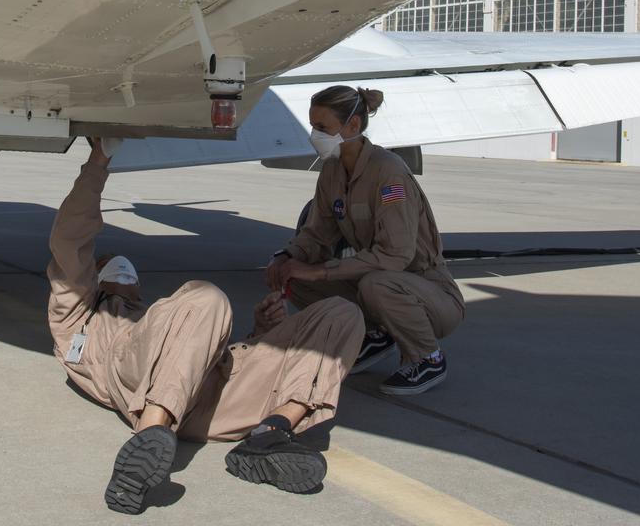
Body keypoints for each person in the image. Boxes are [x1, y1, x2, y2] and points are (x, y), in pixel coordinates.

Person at [47, 138, 364, 515]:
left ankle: (272, 433)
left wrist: (260, 334)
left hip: (219, 402)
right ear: (95, 277)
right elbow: (70, 238)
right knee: (206, 296)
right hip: (141, 387)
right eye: (107, 261)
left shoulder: (154, 314)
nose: (120, 264)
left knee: (342, 314)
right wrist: (98, 160)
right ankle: (151, 435)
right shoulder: (81, 316)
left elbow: (204, 357)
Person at [266, 86, 464, 396]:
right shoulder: (332, 171)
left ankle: (427, 357)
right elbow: (317, 232)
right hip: (378, 279)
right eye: (313, 126)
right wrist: (285, 257)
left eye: (322, 128)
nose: (314, 135)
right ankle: (374, 335)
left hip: (427, 290)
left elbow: (396, 256)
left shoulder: (389, 173)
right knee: (297, 278)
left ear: (353, 126)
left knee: (376, 284)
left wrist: (322, 271)